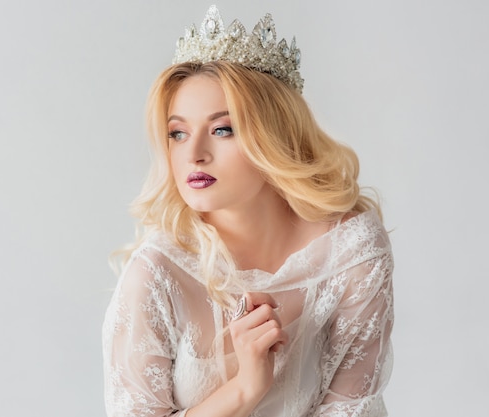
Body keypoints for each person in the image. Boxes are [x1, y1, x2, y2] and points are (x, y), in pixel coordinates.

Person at [103, 5, 394, 417]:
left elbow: (354, 407)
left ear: (274, 134)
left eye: (223, 129)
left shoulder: (352, 253)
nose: (194, 155)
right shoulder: (155, 276)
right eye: (177, 133)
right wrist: (244, 390)